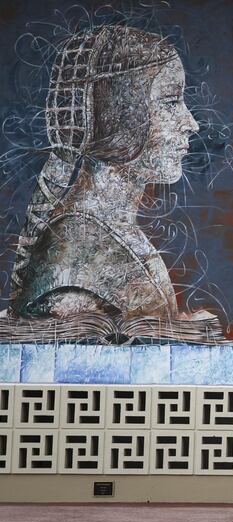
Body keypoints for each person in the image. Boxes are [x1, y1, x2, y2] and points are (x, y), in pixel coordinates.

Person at [7, 25, 204, 324]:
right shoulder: (77, 250)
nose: (191, 123)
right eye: (170, 103)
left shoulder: (111, 230)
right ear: (119, 116)